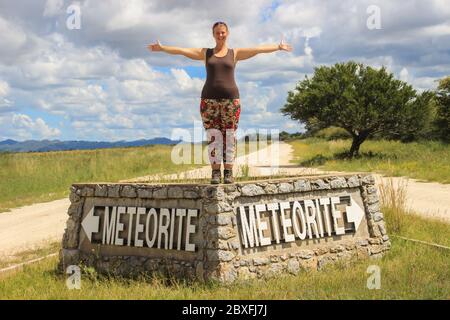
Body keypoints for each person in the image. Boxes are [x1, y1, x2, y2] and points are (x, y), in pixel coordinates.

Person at [148, 21, 292, 184]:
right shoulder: (206, 53)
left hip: (231, 101)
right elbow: (183, 51)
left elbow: (257, 50)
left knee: (229, 136)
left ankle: (228, 172)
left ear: (227, 33)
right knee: (214, 137)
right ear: (213, 34)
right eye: (217, 32)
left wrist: (277, 47)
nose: (220, 35)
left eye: (223, 32)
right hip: (208, 101)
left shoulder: (234, 53)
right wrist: (163, 48)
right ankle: (216, 173)